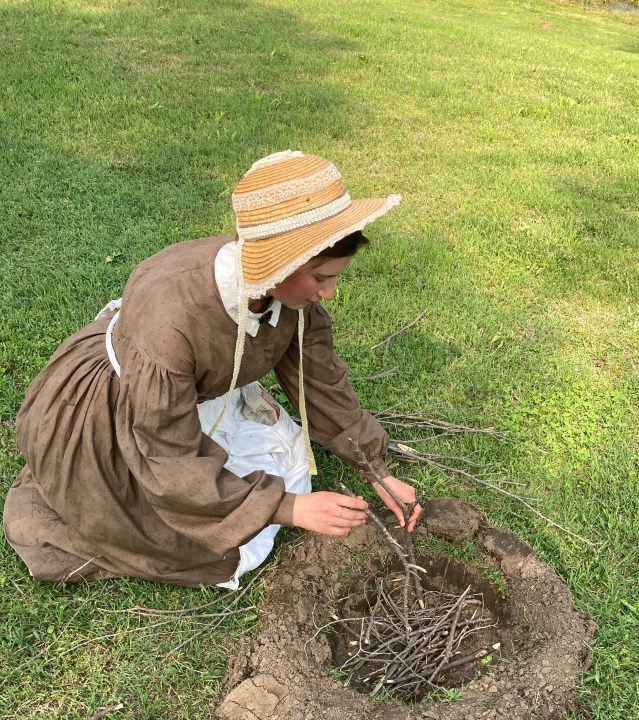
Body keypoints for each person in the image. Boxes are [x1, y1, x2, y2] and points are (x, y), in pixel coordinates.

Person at [3, 150, 422, 588]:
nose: (329, 293)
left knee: (285, 461)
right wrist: (288, 508)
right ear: (279, 264)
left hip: (180, 393)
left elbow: (320, 382)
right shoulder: (171, 322)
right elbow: (166, 456)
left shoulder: (290, 298)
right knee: (201, 545)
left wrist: (375, 469)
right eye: (320, 278)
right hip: (113, 410)